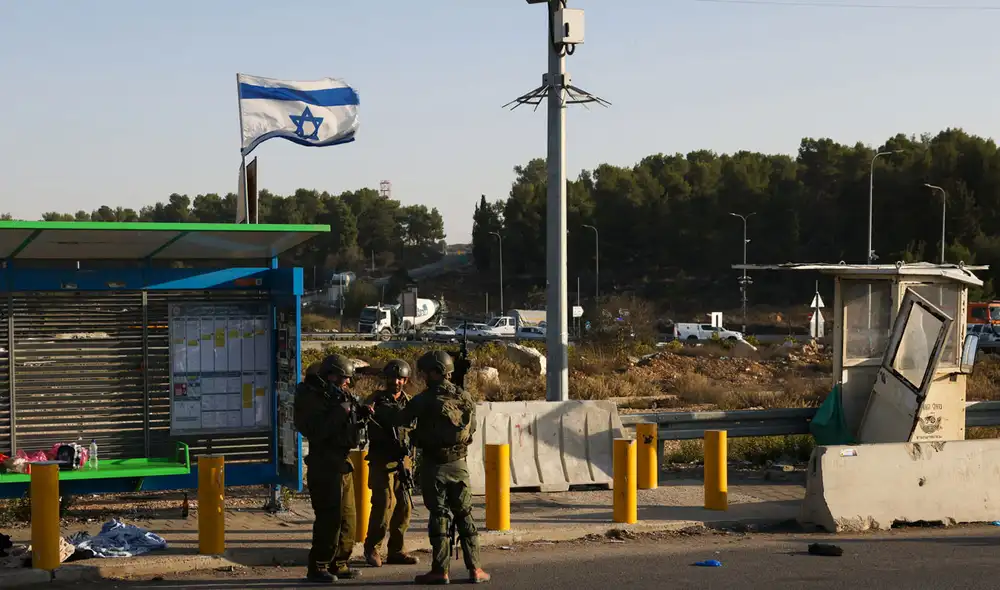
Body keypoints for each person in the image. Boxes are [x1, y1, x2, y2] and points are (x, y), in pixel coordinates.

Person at [390, 350, 491, 585]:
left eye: (426, 372)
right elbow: (472, 428)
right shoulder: (464, 397)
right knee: (465, 515)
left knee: (439, 517)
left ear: (436, 372)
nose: (424, 376)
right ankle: (475, 569)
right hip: (460, 466)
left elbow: (401, 420)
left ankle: (440, 570)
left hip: (435, 467)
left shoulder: (424, 400)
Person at [293, 353, 365, 583]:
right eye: (344, 378)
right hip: (324, 464)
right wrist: (340, 412)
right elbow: (316, 431)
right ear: (331, 376)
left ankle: (339, 563)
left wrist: (358, 414)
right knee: (329, 518)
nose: (347, 383)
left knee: (348, 519)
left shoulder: (337, 396)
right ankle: (318, 566)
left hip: (342, 463)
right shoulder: (310, 397)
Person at [363, 359, 419, 567]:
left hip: (403, 462)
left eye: (399, 378)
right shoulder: (376, 400)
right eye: (391, 378)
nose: (395, 382)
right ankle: (372, 548)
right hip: (382, 461)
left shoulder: (411, 402)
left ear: (405, 380)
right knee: (384, 505)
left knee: (404, 506)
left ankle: (397, 550)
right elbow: (365, 412)